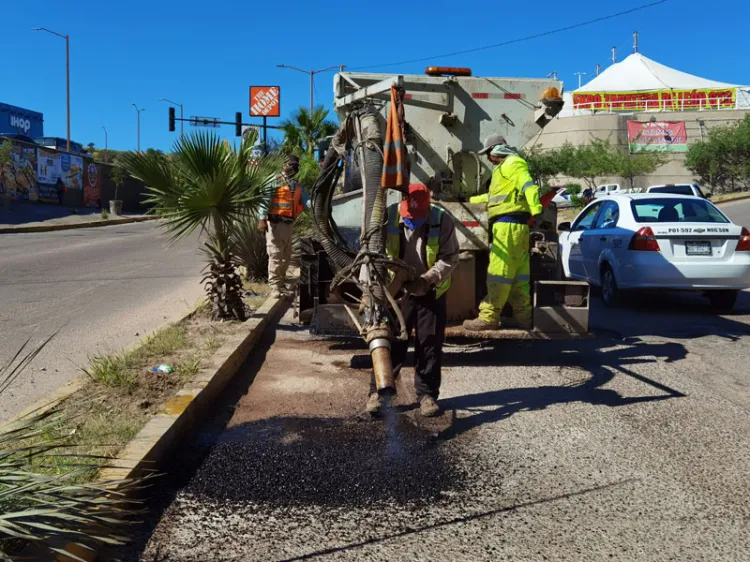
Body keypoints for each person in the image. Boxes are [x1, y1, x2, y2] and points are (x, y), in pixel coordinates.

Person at [366, 184, 460, 418]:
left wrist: (427, 279)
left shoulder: (442, 220)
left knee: (429, 343)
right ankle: (378, 391)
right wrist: (372, 290)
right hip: (397, 291)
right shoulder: (387, 217)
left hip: (431, 290)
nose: (412, 222)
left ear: (428, 208)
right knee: (390, 341)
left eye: (417, 219)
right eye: (409, 217)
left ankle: (427, 395)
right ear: (403, 206)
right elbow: (370, 253)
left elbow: (450, 257)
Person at [463, 135, 543, 332]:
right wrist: (469, 200)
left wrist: (536, 208)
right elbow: (494, 198)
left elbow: (528, 185)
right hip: (516, 227)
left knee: (499, 273)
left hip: (507, 227)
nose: (489, 158)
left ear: (496, 150)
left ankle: (489, 317)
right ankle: (524, 319)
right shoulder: (502, 169)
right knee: (518, 277)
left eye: (489, 153)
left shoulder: (513, 163)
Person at [258, 154, 310, 298]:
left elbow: (307, 202)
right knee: (275, 255)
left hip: (288, 225)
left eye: (295, 166)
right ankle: (274, 287)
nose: (293, 168)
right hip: (274, 224)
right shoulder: (274, 181)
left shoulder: (297, 185)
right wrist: (262, 219)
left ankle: (281, 285)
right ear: (284, 165)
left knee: (286, 256)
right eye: (290, 165)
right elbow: (264, 200)